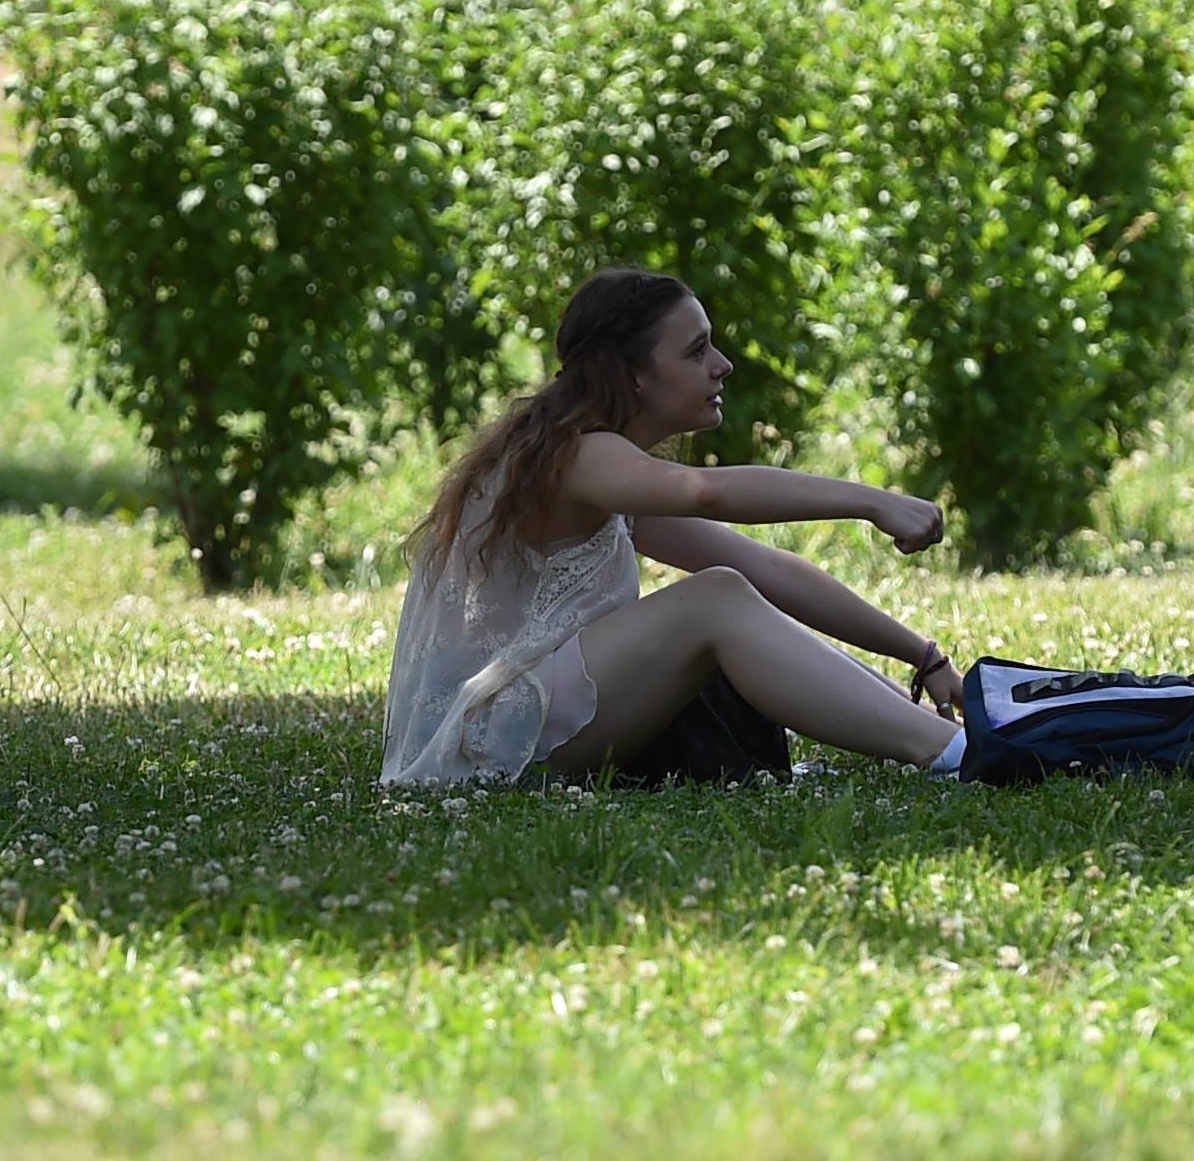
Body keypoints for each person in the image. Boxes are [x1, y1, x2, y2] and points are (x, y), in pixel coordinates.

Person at [382, 266, 971, 786]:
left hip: (520, 721)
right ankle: (955, 752)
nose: (722, 365)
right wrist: (873, 502)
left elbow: (767, 569)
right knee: (713, 599)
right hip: (484, 744)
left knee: (726, 589)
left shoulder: (602, 469)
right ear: (634, 375)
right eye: (696, 351)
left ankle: (946, 738)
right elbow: (705, 492)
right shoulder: (578, 456)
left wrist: (924, 657)